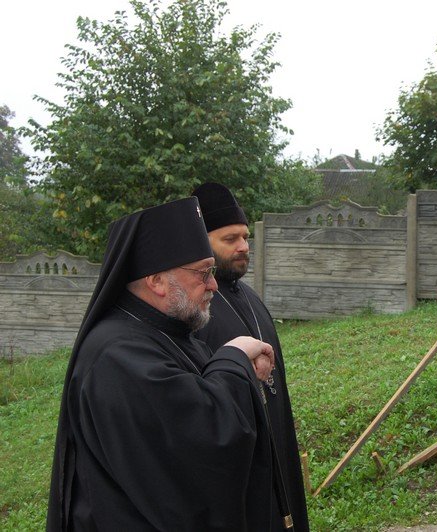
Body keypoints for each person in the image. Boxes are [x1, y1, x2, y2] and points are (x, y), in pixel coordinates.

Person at [47, 197, 280, 531]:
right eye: (204, 273)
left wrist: (237, 367)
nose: (214, 284)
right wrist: (234, 357)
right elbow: (202, 440)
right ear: (156, 281)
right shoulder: (116, 355)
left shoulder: (165, 331)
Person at [192, 182, 309, 532]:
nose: (243, 247)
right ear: (201, 241)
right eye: (230, 239)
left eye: (245, 237)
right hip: (237, 458)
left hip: (275, 438)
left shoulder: (251, 297)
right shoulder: (195, 312)